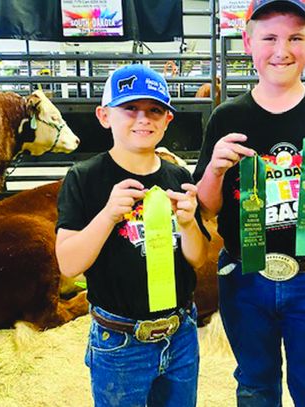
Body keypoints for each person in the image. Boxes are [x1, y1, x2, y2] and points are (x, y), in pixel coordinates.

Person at [193, 0, 305, 406]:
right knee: (256, 386)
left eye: (295, 37)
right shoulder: (227, 118)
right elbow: (205, 208)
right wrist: (215, 172)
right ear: (247, 42)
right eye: (270, 37)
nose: (282, 50)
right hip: (244, 277)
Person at [55, 64, 209, 407]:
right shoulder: (84, 178)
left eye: (155, 110)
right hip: (119, 340)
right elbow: (68, 263)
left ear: (168, 120)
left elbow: (197, 258)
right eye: (130, 109)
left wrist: (188, 225)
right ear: (104, 115)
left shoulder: (178, 175)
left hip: (181, 333)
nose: (143, 119)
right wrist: (108, 215)